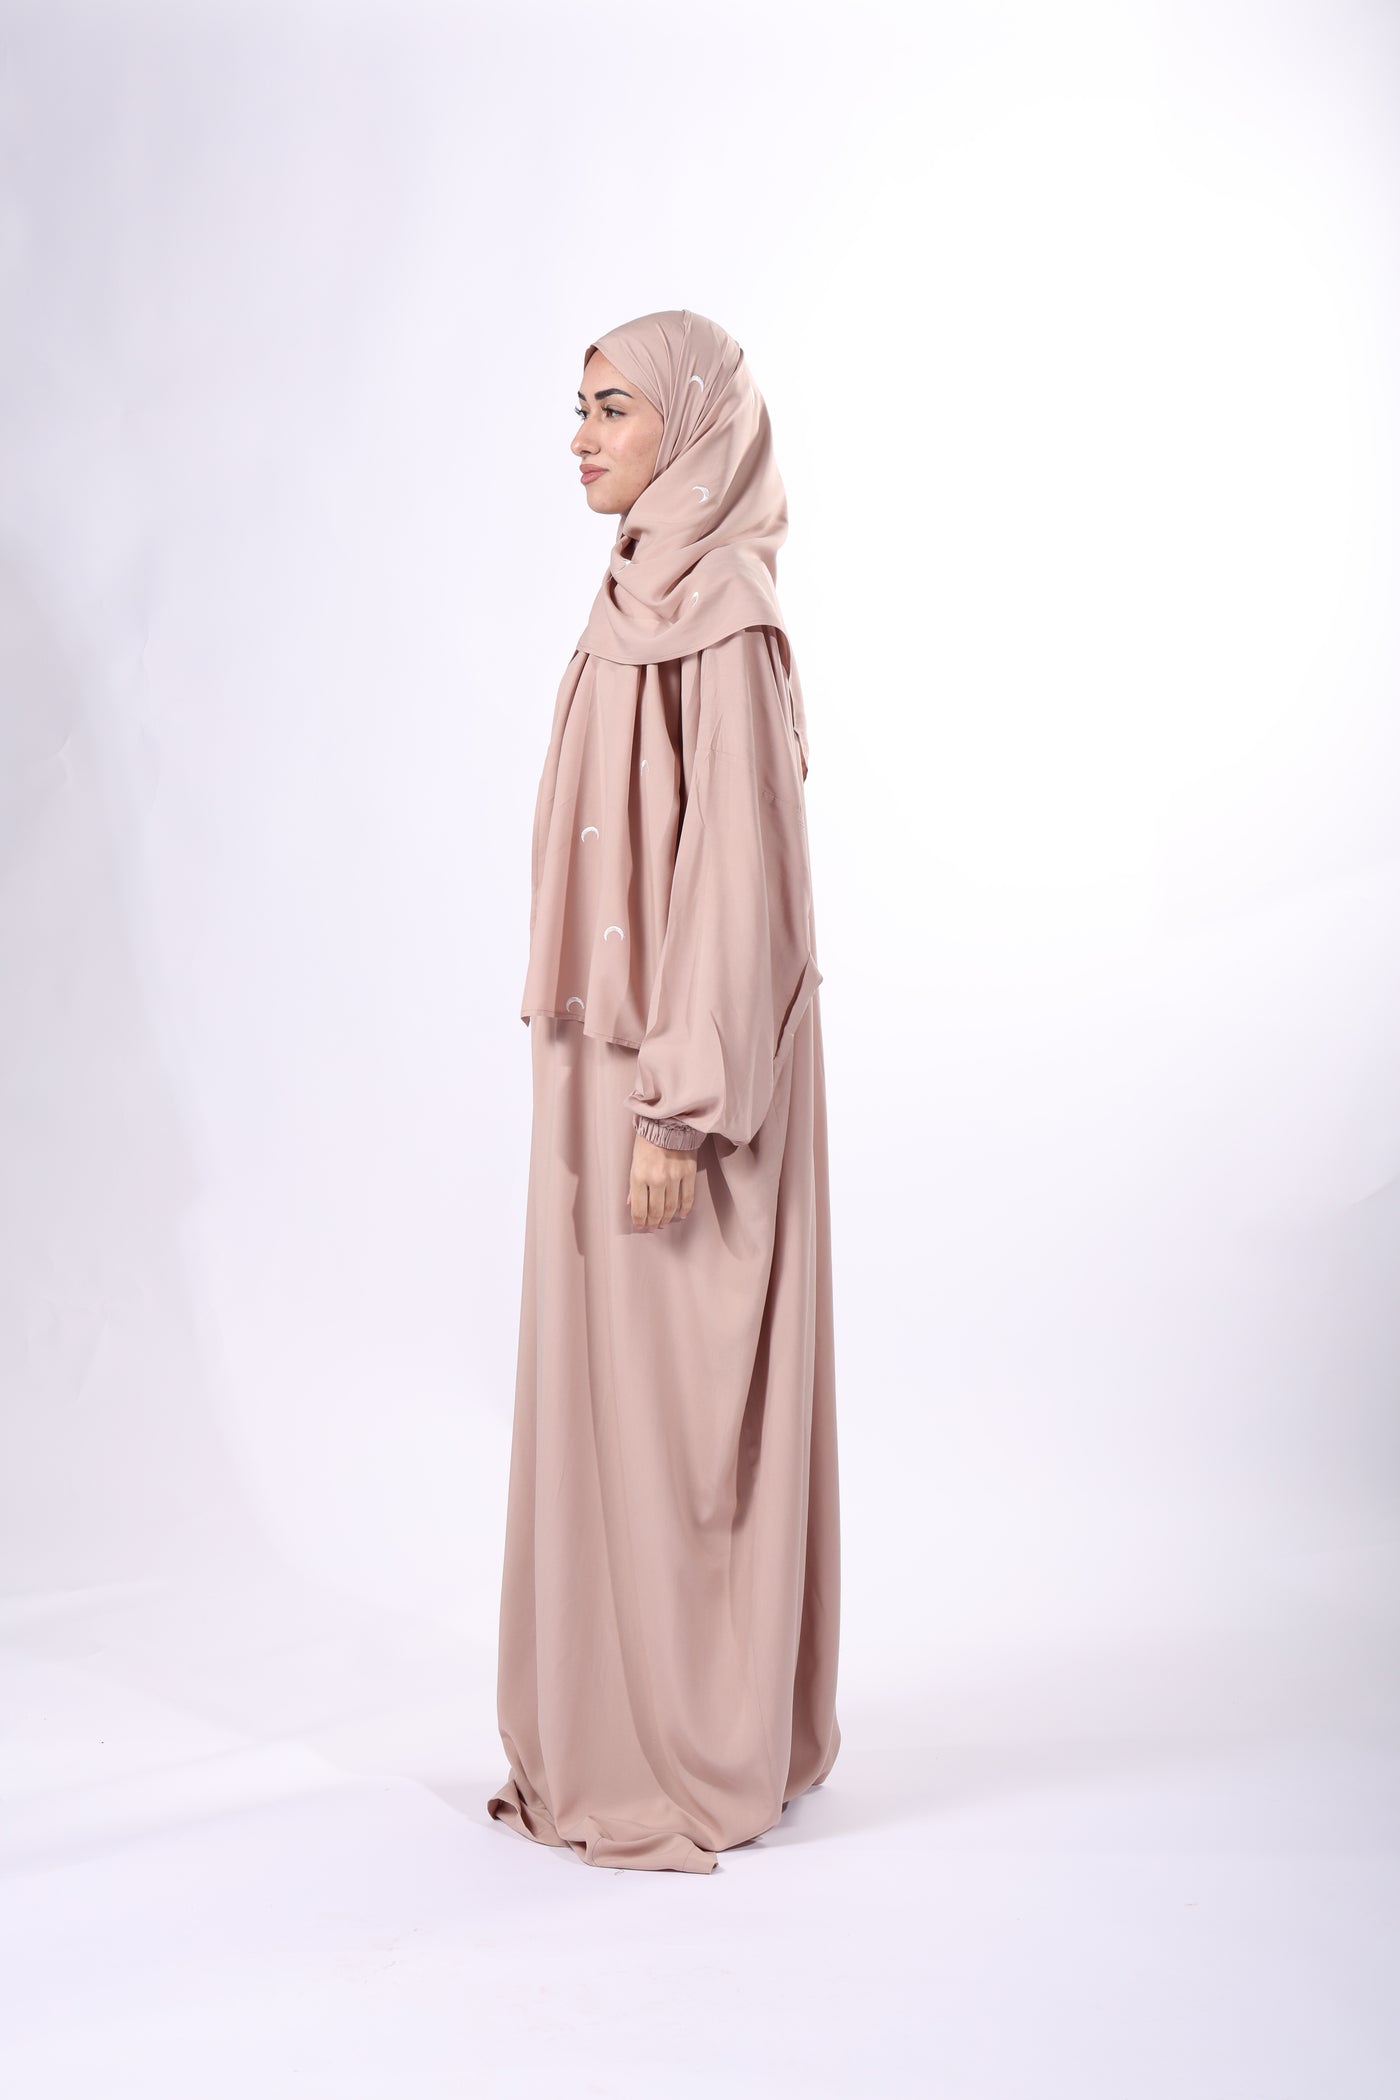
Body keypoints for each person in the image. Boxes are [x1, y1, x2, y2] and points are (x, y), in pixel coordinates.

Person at [486, 308, 841, 1874]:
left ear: (691, 429)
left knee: (685, 1406)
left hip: (677, 1087)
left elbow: (738, 881)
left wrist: (680, 1111)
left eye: (613, 409)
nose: (581, 439)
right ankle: (600, 1722)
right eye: (579, 409)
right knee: (605, 1393)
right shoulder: (630, 595)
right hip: (598, 1061)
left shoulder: (726, 618)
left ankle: (694, 1741)